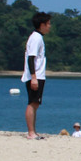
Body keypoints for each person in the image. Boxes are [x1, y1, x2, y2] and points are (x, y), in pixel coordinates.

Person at [22, 11, 51, 140]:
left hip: (38, 75)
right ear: (42, 24)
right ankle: (31, 132)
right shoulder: (36, 38)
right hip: (35, 75)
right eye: (48, 24)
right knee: (32, 103)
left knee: (36, 103)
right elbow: (31, 58)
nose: (50, 26)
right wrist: (34, 77)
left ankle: (33, 131)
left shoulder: (38, 37)